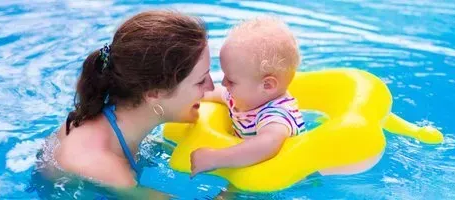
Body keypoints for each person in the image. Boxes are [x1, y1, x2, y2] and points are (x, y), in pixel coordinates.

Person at [36, 10, 214, 191]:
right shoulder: (110, 170)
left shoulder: (120, 113)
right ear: (154, 93)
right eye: (201, 81)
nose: (211, 88)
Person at [190, 16, 304, 177]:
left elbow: (267, 144)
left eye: (231, 80)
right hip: (245, 173)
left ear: (267, 85)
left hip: (273, 178)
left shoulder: (277, 115)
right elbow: (210, 94)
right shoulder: (241, 96)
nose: (223, 83)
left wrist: (215, 159)